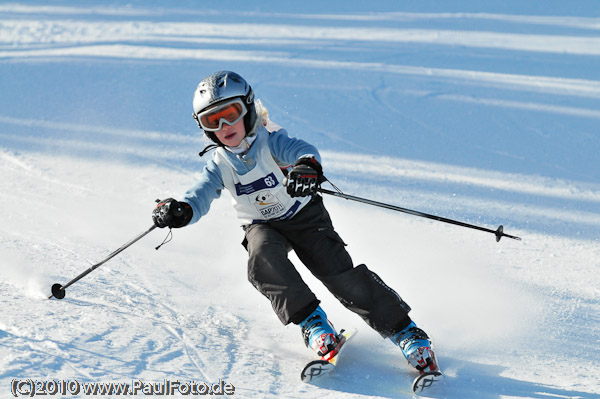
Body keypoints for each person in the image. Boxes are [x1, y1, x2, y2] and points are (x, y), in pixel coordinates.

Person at [152, 70, 438, 373]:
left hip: (304, 216)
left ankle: (406, 332)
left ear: (247, 108)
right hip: (261, 225)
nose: (224, 126)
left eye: (230, 114)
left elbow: (302, 150)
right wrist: (180, 210)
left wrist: (306, 169)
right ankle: (313, 323)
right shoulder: (219, 165)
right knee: (262, 259)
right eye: (213, 121)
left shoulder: (270, 140)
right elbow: (199, 196)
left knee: (339, 275)